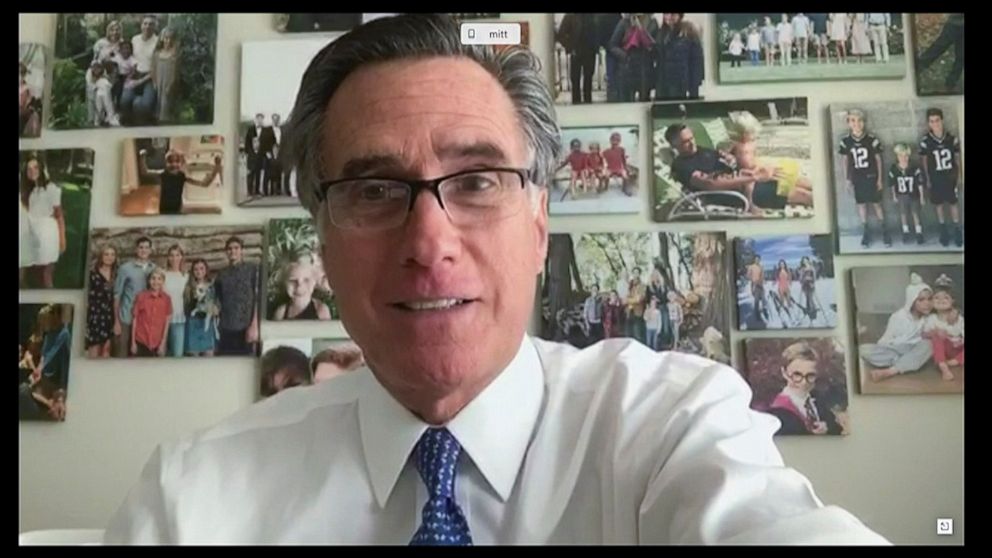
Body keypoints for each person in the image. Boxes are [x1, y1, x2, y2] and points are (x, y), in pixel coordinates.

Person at [105, 14, 887, 545]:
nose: (429, 241)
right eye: (374, 191)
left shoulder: (667, 427)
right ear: (322, 234)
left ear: (539, 223)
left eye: (477, 181)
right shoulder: (194, 498)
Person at [860, 273, 934, 382]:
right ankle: (904, 363)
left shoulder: (930, 319)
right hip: (894, 349)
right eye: (921, 300)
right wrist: (883, 350)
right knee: (863, 349)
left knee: (929, 345)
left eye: (929, 299)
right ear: (912, 301)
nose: (927, 303)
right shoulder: (898, 316)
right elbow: (886, 339)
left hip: (913, 348)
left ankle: (889, 371)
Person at [762, 342, 841, 436]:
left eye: (810, 375)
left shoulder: (819, 404)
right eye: (797, 375)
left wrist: (827, 429)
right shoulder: (778, 412)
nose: (804, 382)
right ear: (784, 372)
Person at [839, 109, 889, 248]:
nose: (857, 123)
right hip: (857, 177)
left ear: (864, 122)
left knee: (877, 204)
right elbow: (845, 161)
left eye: (859, 120)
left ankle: (884, 230)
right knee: (861, 205)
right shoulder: (846, 141)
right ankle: (866, 231)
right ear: (848, 123)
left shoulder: (872, 140)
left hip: (871, 176)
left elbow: (878, 160)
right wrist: (847, 179)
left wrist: (879, 179)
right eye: (853, 120)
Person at [918, 108, 963, 247]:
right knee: (938, 204)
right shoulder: (926, 141)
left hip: (950, 175)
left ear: (942, 121)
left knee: (953, 203)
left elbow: (957, 158)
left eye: (937, 120)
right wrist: (927, 178)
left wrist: (960, 176)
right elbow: (924, 161)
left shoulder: (951, 138)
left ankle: (957, 229)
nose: (935, 123)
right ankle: (943, 229)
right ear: (928, 124)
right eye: (932, 121)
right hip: (935, 176)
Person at [20, 155, 65, 289]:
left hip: (47, 231)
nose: (32, 171)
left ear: (41, 169)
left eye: (35, 167)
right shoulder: (29, 190)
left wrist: (62, 239)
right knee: (22, 265)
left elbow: (59, 215)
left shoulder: (51, 189)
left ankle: (52, 302)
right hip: (30, 230)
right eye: (29, 169)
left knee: (47, 272)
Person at [139, 148, 222, 215]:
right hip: (164, 209)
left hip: (177, 208)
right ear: (166, 163)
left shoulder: (182, 176)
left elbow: (204, 184)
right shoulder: (163, 174)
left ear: (181, 163)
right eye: (170, 161)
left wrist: (216, 168)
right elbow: (145, 172)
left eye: (177, 161)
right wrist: (142, 158)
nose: (174, 164)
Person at [213, 237, 259, 356]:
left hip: (246, 327)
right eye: (229, 249)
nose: (232, 251)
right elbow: (217, 298)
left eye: (236, 248)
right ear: (226, 252)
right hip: (226, 327)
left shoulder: (251, 270)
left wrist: (254, 325)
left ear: (241, 250)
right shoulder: (222, 274)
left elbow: (257, 298)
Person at [114, 237, 154, 358]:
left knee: (139, 357)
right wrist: (116, 321)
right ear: (136, 250)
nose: (144, 250)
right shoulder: (125, 269)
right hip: (126, 318)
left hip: (144, 321)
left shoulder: (154, 268)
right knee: (122, 354)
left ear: (150, 250)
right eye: (141, 247)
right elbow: (117, 295)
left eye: (146, 247)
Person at [119, 15, 159, 126]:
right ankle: (128, 125)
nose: (147, 26)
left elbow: (156, 67)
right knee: (125, 100)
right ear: (141, 26)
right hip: (134, 74)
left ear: (155, 27)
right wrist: (129, 76)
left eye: (151, 24)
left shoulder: (157, 42)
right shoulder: (135, 39)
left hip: (149, 77)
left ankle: (142, 127)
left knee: (144, 105)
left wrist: (139, 82)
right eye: (145, 23)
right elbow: (129, 58)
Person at [653, 13, 703, 100]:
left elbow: (696, 61)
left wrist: (694, 87)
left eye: (673, 14)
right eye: (666, 14)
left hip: (679, 80)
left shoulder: (688, 32)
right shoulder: (661, 32)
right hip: (662, 81)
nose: (669, 17)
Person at [923, 274, 963, 382]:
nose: (941, 300)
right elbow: (924, 333)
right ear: (932, 301)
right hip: (943, 348)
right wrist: (935, 332)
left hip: (957, 347)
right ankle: (943, 367)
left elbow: (961, 332)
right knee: (937, 339)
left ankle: (953, 362)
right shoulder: (932, 318)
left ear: (952, 301)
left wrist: (958, 339)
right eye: (937, 298)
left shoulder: (958, 317)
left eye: (946, 297)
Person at [271, 255, 332, 321]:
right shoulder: (281, 312)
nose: (299, 286)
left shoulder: (321, 310)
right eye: (293, 281)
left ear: (314, 283)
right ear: (285, 283)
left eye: (306, 280)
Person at [888, 143, 926, 245]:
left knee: (915, 213)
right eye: (901, 155)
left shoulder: (914, 168)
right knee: (903, 214)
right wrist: (894, 195)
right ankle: (905, 232)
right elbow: (892, 184)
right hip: (901, 195)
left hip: (914, 195)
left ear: (909, 156)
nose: (903, 158)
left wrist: (922, 197)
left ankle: (919, 232)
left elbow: (920, 183)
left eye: (906, 156)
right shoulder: (894, 168)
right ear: (897, 156)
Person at [556, 14, 598, 104]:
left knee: (587, 77)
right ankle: (578, 101)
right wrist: (570, 47)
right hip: (578, 51)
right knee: (576, 78)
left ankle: (586, 100)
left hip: (588, 51)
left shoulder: (572, 16)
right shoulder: (572, 16)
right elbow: (561, 35)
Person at [131, 268, 173, 357]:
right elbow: (135, 319)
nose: (156, 282)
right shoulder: (141, 296)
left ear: (163, 281)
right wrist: (133, 342)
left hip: (157, 342)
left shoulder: (166, 299)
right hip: (141, 340)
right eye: (153, 278)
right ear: (149, 281)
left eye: (159, 279)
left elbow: (167, 322)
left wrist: (163, 343)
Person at [916, 13, 964, 91]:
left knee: (961, 57)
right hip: (954, 22)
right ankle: (917, 67)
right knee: (939, 46)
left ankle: (950, 85)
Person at [86, 245, 118, 358]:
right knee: (94, 347)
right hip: (95, 315)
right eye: (106, 254)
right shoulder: (92, 274)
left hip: (110, 315)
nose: (109, 257)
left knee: (107, 349)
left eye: (112, 254)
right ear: (101, 256)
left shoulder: (117, 274)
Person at [183, 259, 218, 357]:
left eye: (202, 268)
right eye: (196, 269)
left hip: (207, 324)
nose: (199, 272)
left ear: (206, 270)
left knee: (208, 353)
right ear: (193, 272)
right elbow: (187, 307)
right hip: (193, 324)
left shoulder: (212, 286)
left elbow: (217, 302)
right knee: (194, 355)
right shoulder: (189, 287)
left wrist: (216, 309)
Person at [162, 245, 188, 357]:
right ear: (168, 258)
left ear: (181, 257)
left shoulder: (185, 276)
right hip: (162, 319)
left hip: (179, 319)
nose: (174, 258)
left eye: (177, 255)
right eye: (171, 255)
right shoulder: (163, 274)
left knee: (177, 354)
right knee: (162, 353)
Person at [152, 27, 179, 123]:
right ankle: (157, 119)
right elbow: (153, 69)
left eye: (171, 38)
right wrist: (154, 81)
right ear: (162, 38)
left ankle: (166, 121)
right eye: (166, 38)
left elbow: (175, 72)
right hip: (159, 81)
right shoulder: (157, 53)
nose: (168, 41)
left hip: (168, 82)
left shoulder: (174, 55)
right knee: (158, 101)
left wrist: (171, 84)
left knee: (166, 101)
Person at [244, 113, 266, 198]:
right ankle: (249, 191)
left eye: (261, 119)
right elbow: (247, 142)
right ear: (256, 119)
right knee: (250, 173)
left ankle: (257, 190)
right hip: (251, 155)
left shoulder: (265, 130)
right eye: (258, 118)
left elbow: (265, 143)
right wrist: (248, 152)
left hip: (260, 155)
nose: (260, 120)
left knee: (258, 173)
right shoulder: (250, 129)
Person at [747, 255, 767, 325]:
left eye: (758, 259)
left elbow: (762, 275)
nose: (757, 260)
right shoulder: (751, 267)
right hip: (754, 285)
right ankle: (757, 314)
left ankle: (764, 311)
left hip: (760, 285)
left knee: (764, 299)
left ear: (759, 260)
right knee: (756, 300)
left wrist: (763, 280)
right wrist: (753, 280)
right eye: (756, 259)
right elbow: (748, 276)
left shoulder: (761, 267)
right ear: (754, 260)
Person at [798, 256, 818, 322]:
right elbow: (800, 279)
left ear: (808, 261)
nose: (805, 262)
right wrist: (803, 279)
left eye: (806, 260)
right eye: (804, 261)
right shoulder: (802, 269)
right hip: (805, 286)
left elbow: (814, 278)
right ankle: (809, 311)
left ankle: (813, 313)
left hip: (811, 285)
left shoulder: (812, 268)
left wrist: (810, 280)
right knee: (807, 298)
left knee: (810, 298)